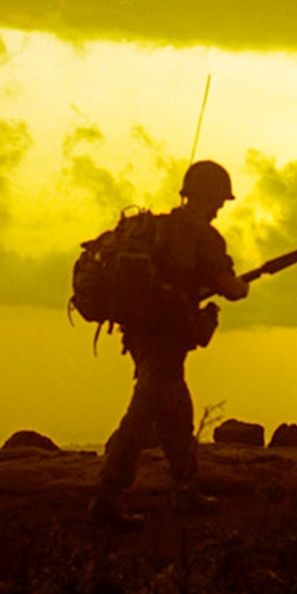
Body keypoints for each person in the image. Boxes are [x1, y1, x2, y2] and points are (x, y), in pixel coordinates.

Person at [89, 160, 250, 528]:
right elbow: (230, 288)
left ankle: (184, 488)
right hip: (165, 339)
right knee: (142, 417)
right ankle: (108, 496)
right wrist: (242, 286)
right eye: (219, 201)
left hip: (142, 336)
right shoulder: (202, 237)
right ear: (207, 197)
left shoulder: (160, 230)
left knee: (176, 412)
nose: (220, 208)